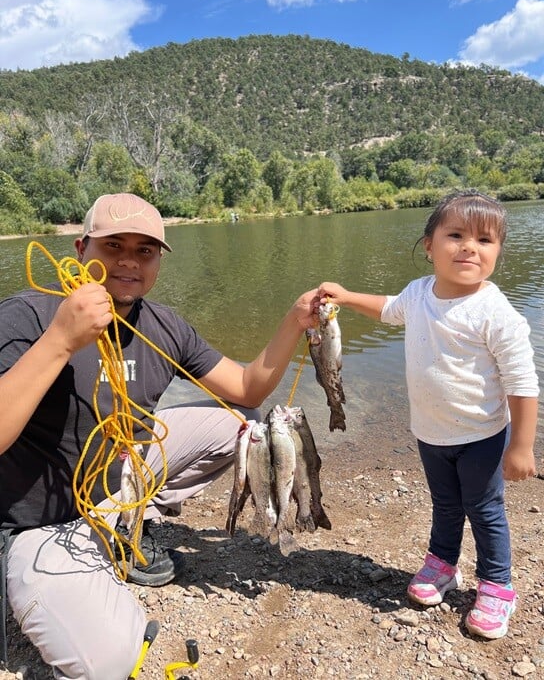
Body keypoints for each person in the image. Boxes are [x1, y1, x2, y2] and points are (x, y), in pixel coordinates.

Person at [0, 192, 319, 680]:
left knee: (246, 426)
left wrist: (295, 321)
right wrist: (61, 339)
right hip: (36, 520)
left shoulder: (163, 325)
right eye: (114, 246)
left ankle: (130, 523)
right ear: (82, 249)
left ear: (158, 261)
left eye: (144, 250)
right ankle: (72, 562)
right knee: (108, 662)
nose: (129, 261)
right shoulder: (29, 315)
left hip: (115, 481)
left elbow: (247, 385)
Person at [317, 189, 539, 640]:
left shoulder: (496, 313)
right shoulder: (419, 293)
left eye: (485, 239)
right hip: (430, 433)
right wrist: (346, 295)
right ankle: (443, 564)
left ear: (498, 251)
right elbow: (387, 309)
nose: (469, 247)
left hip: (482, 435)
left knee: (485, 509)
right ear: (429, 246)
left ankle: (497, 586)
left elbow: (522, 383)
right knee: (446, 503)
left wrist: (520, 446)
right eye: (455, 235)